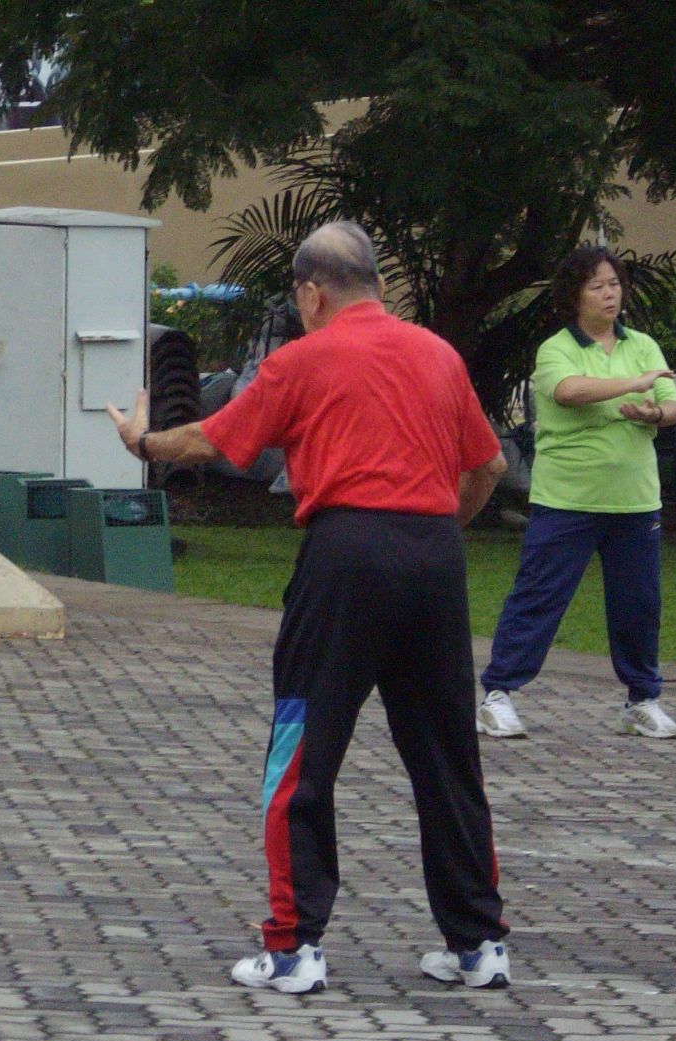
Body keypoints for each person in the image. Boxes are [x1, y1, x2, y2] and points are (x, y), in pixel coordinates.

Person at [108, 222, 512, 994]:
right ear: (381, 285)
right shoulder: (438, 354)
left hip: (345, 556)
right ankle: (478, 943)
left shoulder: (302, 359)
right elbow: (488, 464)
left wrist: (142, 442)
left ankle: (293, 950)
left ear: (310, 292)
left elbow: (212, 441)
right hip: (434, 558)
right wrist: (430, 530)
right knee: (448, 756)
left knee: (304, 750)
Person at [476, 247, 676, 740]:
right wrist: (635, 385)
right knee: (539, 597)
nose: (609, 294)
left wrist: (653, 413)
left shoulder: (643, 344)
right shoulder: (557, 349)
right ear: (574, 297)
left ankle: (642, 699)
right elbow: (569, 391)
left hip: (635, 501)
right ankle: (499, 694)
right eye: (597, 286)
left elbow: (670, 402)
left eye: (614, 284)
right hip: (567, 500)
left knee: (638, 604)